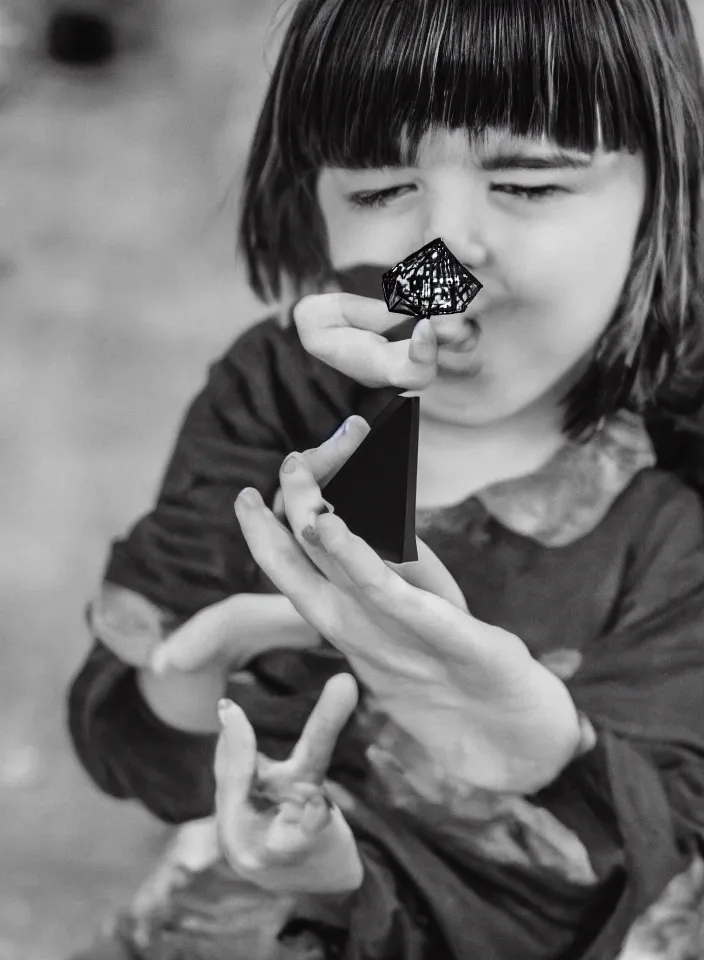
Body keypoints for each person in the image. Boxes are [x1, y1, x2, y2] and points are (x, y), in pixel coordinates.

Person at [66, 0, 704, 957]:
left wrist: (547, 749)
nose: (438, 255)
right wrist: (199, 674)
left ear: (668, 193)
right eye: (378, 191)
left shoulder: (678, 477)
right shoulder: (283, 389)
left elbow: (662, 858)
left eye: (528, 183)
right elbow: (140, 741)